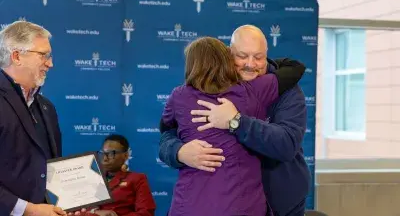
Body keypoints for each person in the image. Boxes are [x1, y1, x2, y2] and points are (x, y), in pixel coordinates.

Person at [159, 25, 311, 216]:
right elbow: (167, 135)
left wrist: (236, 122)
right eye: (242, 56)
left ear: (267, 55)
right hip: (220, 200)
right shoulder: (198, 90)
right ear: (228, 54)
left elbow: (287, 144)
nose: (250, 64)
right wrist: (178, 151)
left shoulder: (286, 90)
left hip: (280, 202)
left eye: (258, 57)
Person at [0, 21, 66, 216]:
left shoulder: (47, 107)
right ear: (17, 56)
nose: (50, 63)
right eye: (43, 55)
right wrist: (27, 210)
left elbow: (52, 167)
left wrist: (71, 202)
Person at [82, 134, 156, 216]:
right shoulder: (93, 178)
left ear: (125, 155)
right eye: (102, 153)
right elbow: (79, 209)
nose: (105, 158)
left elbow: (146, 212)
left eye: (111, 153)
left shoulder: (137, 179)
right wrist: (96, 212)